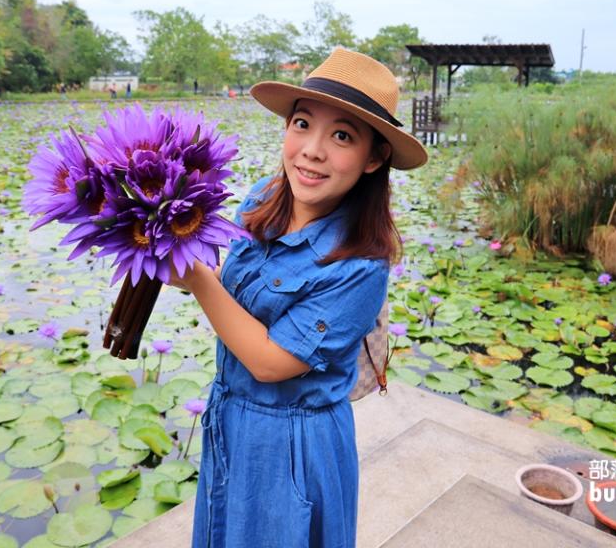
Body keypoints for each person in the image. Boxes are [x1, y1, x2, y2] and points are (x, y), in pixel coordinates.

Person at [166, 48, 428, 547]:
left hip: (293, 445)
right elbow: (232, 280)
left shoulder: (360, 266)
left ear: (375, 158)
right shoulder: (262, 198)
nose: (312, 149)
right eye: (302, 123)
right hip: (229, 416)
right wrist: (174, 252)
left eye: (342, 136)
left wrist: (198, 279)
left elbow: (270, 362)